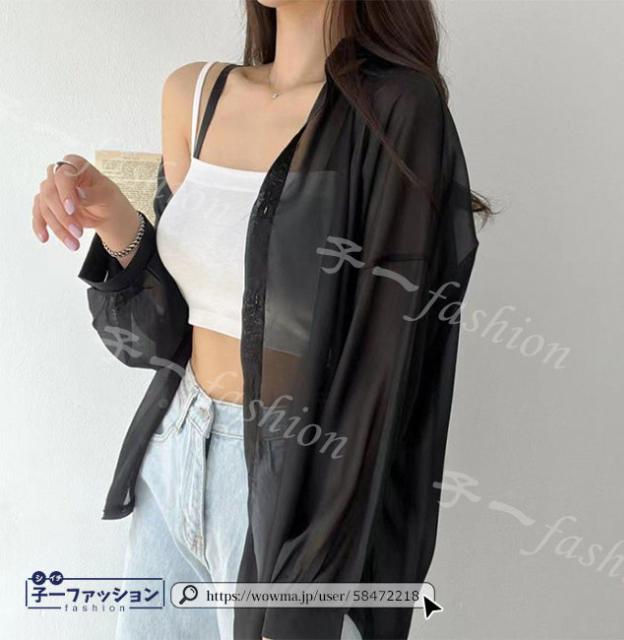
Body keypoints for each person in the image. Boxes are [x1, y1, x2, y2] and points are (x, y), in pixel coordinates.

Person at [32, 1, 489, 638]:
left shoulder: (397, 111)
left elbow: (382, 372)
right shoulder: (195, 94)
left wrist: (306, 582)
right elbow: (156, 339)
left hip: (298, 480)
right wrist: (115, 221)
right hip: (173, 446)